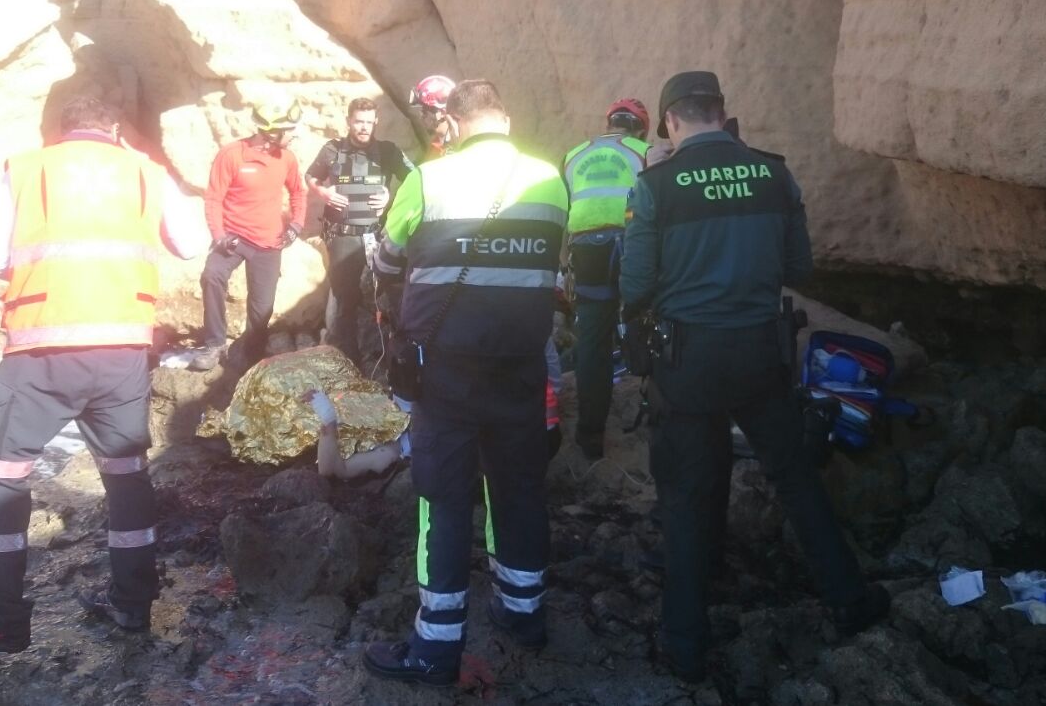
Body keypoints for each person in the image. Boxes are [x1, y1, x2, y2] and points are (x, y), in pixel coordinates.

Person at [620, 71, 889, 683]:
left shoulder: (656, 184)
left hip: (686, 360)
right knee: (794, 477)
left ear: (670, 122)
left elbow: (634, 286)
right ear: (721, 112)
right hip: (762, 354)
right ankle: (850, 600)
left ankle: (686, 646)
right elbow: (799, 266)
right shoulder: (774, 173)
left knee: (684, 492)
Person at [0, 94, 204, 653]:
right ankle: (132, 604)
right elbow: (193, 243)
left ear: (57, 130)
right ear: (115, 130)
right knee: (126, 473)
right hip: (122, 351)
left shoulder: (29, 169)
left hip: (43, 350)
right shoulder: (146, 172)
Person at [363, 80, 569, 686]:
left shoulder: (429, 179)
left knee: (444, 497)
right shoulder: (550, 180)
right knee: (519, 488)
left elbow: (388, 259)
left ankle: (436, 645)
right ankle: (523, 613)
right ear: (504, 119)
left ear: (452, 123)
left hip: (447, 372)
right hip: (521, 368)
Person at [561, 98, 650, 459]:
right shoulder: (645, 152)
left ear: (609, 123)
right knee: (650, 325)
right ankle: (657, 418)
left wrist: (563, 265)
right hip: (632, 246)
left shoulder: (573, 155)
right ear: (640, 129)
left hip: (587, 250)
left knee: (593, 342)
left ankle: (590, 436)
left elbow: (564, 207)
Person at [191, 102, 308, 372]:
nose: (294, 135)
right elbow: (213, 198)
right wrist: (219, 235)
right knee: (212, 275)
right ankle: (214, 344)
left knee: (261, 309)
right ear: (271, 132)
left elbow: (298, 192)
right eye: (289, 130)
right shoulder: (232, 155)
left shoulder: (287, 158)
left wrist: (296, 224)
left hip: (269, 242)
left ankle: (249, 358)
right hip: (233, 238)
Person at [306, 97, 415, 368]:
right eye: (358, 122)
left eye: (369, 122)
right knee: (345, 301)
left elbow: (415, 179)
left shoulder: (388, 151)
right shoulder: (332, 150)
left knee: (389, 296)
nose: (364, 127)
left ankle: (390, 358)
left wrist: (390, 196)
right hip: (342, 237)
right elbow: (311, 176)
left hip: (377, 236)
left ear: (376, 121)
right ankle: (348, 362)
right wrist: (323, 192)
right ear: (348, 121)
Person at [406, 74, 457, 163]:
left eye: (425, 111)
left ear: (442, 112)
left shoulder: (461, 143)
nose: (421, 116)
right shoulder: (435, 145)